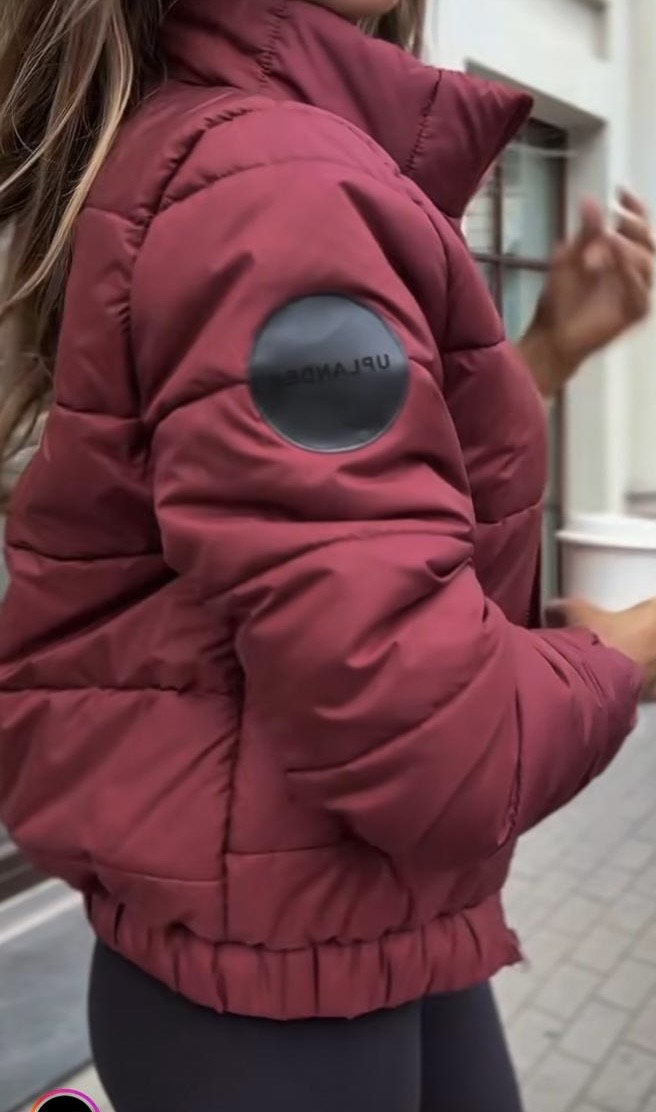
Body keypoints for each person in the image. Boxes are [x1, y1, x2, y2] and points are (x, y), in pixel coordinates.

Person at [0, 1, 654, 1109]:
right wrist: (625, 651)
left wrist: (545, 350)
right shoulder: (277, 183)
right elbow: (423, 731)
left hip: (346, 921)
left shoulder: (241, 154)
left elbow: (341, 504)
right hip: (272, 979)